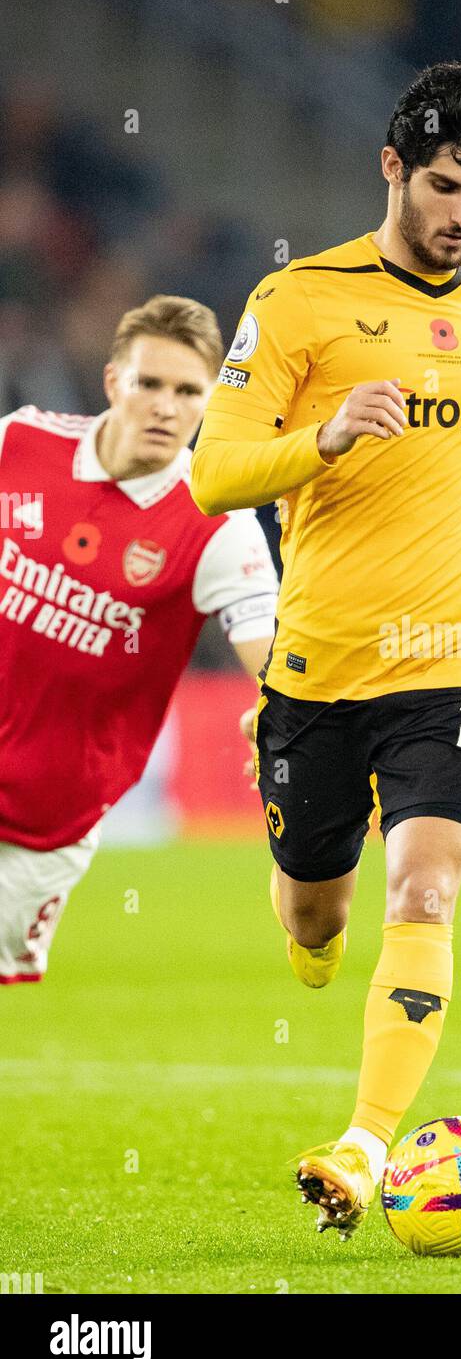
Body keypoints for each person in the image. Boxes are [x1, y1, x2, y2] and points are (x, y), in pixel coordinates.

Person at [191, 62, 461, 1239]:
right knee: (314, 915)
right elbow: (213, 471)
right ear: (394, 168)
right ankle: (313, 912)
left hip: (460, 654)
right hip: (319, 664)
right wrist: (324, 436)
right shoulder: (297, 302)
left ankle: (362, 1143)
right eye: (446, 185)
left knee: (427, 885)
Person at [0, 295, 278, 984]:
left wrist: (293, 717)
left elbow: (274, 658)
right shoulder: (20, 443)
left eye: (188, 391)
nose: (165, 405)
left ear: (209, 401)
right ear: (113, 382)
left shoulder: (218, 523)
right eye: (149, 383)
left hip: (48, 817)